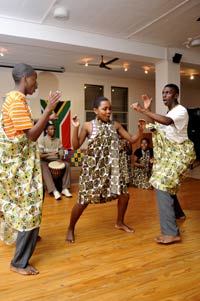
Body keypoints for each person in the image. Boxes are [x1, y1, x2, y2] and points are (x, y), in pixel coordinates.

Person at [0, 63, 61, 275]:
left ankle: (31, 234)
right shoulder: (17, 101)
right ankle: (19, 262)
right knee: (29, 209)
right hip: (20, 168)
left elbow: (23, 126)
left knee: (34, 203)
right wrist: (49, 110)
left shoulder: (14, 99)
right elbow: (31, 135)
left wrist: (44, 118)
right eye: (35, 79)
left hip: (19, 167)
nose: (37, 84)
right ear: (26, 78)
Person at [66, 96, 145, 243]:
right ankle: (71, 228)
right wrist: (75, 127)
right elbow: (75, 146)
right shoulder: (88, 126)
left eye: (110, 108)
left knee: (124, 195)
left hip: (113, 168)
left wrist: (141, 131)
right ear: (95, 110)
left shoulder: (115, 125)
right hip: (93, 170)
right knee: (83, 200)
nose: (108, 111)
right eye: (104, 109)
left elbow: (132, 140)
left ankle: (119, 222)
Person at [131, 84, 196, 244]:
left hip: (179, 155)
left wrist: (143, 110)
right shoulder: (169, 113)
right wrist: (148, 109)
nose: (164, 95)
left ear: (176, 95)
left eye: (168, 92)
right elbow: (154, 127)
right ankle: (178, 213)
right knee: (166, 183)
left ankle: (171, 233)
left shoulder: (180, 111)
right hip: (169, 156)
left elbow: (166, 122)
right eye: (163, 93)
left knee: (161, 184)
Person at [39, 123, 72, 200]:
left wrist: (60, 159)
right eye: (51, 129)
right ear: (46, 131)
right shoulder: (42, 140)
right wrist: (50, 154)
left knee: (66, 164)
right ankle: (54, 190)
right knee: (43, 165)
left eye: (54, 129)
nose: (53, 130)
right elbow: (40, 155)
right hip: (45, 160)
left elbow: (61, 152)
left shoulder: (58, 140)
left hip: (55, 160)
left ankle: (65, 188)